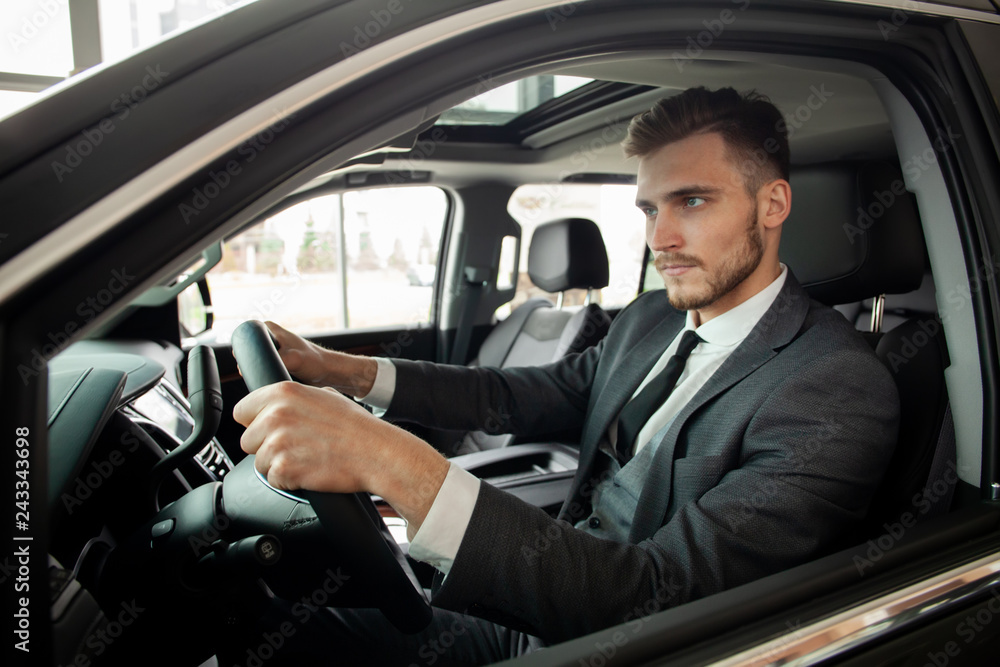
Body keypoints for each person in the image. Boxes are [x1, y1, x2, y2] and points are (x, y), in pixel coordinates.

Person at [232, 87, 899, 665]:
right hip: (534, 594)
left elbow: (655, 595)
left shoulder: (836, 387)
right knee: (258, 618)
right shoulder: (650, 320)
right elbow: (513, 394)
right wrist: (336, 370)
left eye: (692, 200)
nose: (659, 237)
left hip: (609, 640)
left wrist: (395, 463)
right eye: (648, 209)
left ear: (772, 204)